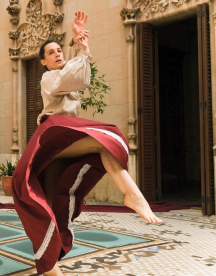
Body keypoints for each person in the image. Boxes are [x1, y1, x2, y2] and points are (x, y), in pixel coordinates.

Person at [11, 11, 162, 276]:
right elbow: (75, 77)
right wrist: (81, 49)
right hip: (53, 137)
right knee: (104, 137)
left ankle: (49, 265)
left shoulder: (64, 74)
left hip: (64, 144)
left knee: (54, 206)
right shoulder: (49, 79)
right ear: (43, 62)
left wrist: (78, 45)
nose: (58, 54)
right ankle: (132, 194)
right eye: (52, 53)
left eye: (60, 50)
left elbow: (78, 75)